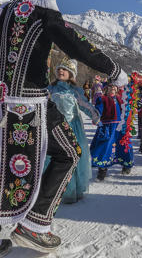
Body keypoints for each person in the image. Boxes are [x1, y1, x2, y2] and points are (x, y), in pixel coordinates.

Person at [0, 0, 127, 257]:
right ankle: (36, 224)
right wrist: (113, 69)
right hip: (31, 103)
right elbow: (76, 44)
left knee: (0, 167)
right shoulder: (42, 13)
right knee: (69, 152)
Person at [47, 59, 99, 202]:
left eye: (64, 69)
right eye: (59, 69)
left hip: (72, 128)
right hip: (54, 128)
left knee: (72, 158)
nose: (60, 71)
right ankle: (52, 191)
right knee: (53, 159)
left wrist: (95, 116)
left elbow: (85, 105)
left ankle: (70, 191)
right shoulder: (50, 89)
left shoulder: (75, 91)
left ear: (71, 73)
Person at [91, 83, 133, 180]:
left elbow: (127, 110)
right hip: (108, 126)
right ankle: (102, 169)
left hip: (120, 127)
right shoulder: (103, 99)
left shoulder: (121, 99)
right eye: (110, 86)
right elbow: (98, 111)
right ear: (106, 88)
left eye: (115, 86)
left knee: (123, 146)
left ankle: (126, 164)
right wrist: (97, 116)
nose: (113, 88)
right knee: (105, 147)